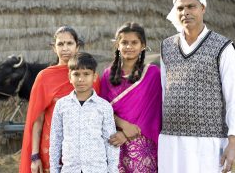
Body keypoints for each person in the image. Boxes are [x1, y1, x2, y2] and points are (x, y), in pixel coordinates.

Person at [158, 0, 235, 173]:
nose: (185, 12)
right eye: (180, 8)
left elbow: (234, 97)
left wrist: (233, 142)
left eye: (191, 6)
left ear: (203, 8)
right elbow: (165, 91)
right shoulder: (166, 46)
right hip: (171, 140)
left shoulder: (222, 46)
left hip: (209, 142)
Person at [19, 26, 100, 173]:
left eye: (69, 43)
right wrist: (35, 156)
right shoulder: (44, 77)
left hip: (85, 152)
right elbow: (38, 120)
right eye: (60, 44)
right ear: (54, 48)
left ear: (77, 46)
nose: (65, 48)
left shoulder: (91, 77)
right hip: (51, 150)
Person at [100, 22, 162, 172]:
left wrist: (127, 134)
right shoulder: (107, 75)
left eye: (134, 42)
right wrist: (123, 126)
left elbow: (154, 112)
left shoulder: (153, 73)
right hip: (114, 141)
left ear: (143, 46)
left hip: (143, 143)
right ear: (117, 45)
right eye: (124, 42)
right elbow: (101, 108)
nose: (129, 46)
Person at [49, 52, 119, 173]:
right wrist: (54, 170)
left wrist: (113, 170)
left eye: (86, 74)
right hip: (70, 169)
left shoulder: (104, 106)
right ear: (70, 77)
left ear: (94, 76)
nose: (81, 79)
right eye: (76, 74)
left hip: (97, 169)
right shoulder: (61, 105)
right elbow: (56, 140)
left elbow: (111, 141)